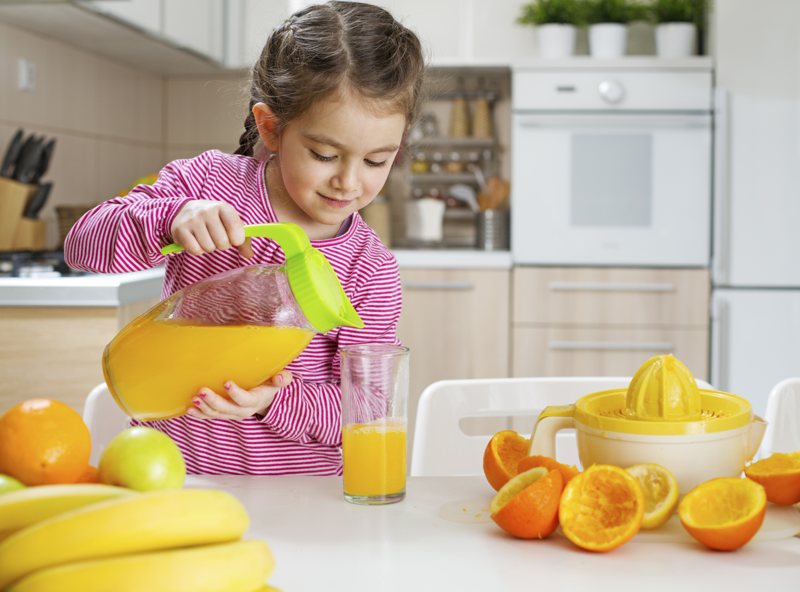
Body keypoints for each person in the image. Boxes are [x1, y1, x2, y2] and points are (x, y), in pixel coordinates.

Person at [64, 1, 426, 476]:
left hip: (301, 499)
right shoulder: (208, 182)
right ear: (271, 127)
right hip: (179, 477)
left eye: (377, 161)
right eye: (323, 154)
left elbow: (369, 407)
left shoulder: (368, 268)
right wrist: (169, 219)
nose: (348, 181)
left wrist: (276, 400)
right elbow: (81, 246)